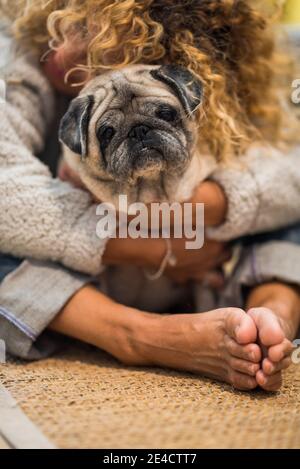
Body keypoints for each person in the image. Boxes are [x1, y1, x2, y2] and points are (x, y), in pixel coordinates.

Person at [0, 0, 300, 392]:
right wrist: (147, 247)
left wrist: (208, 205)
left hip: (195, 245)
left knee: (282, 211)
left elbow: (287, 170)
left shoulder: (216, 87)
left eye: (101, 49)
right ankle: (137, 335)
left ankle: (270, 319)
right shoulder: (18, 49)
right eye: (72, 22)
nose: (62, 51)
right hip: (83, 263)